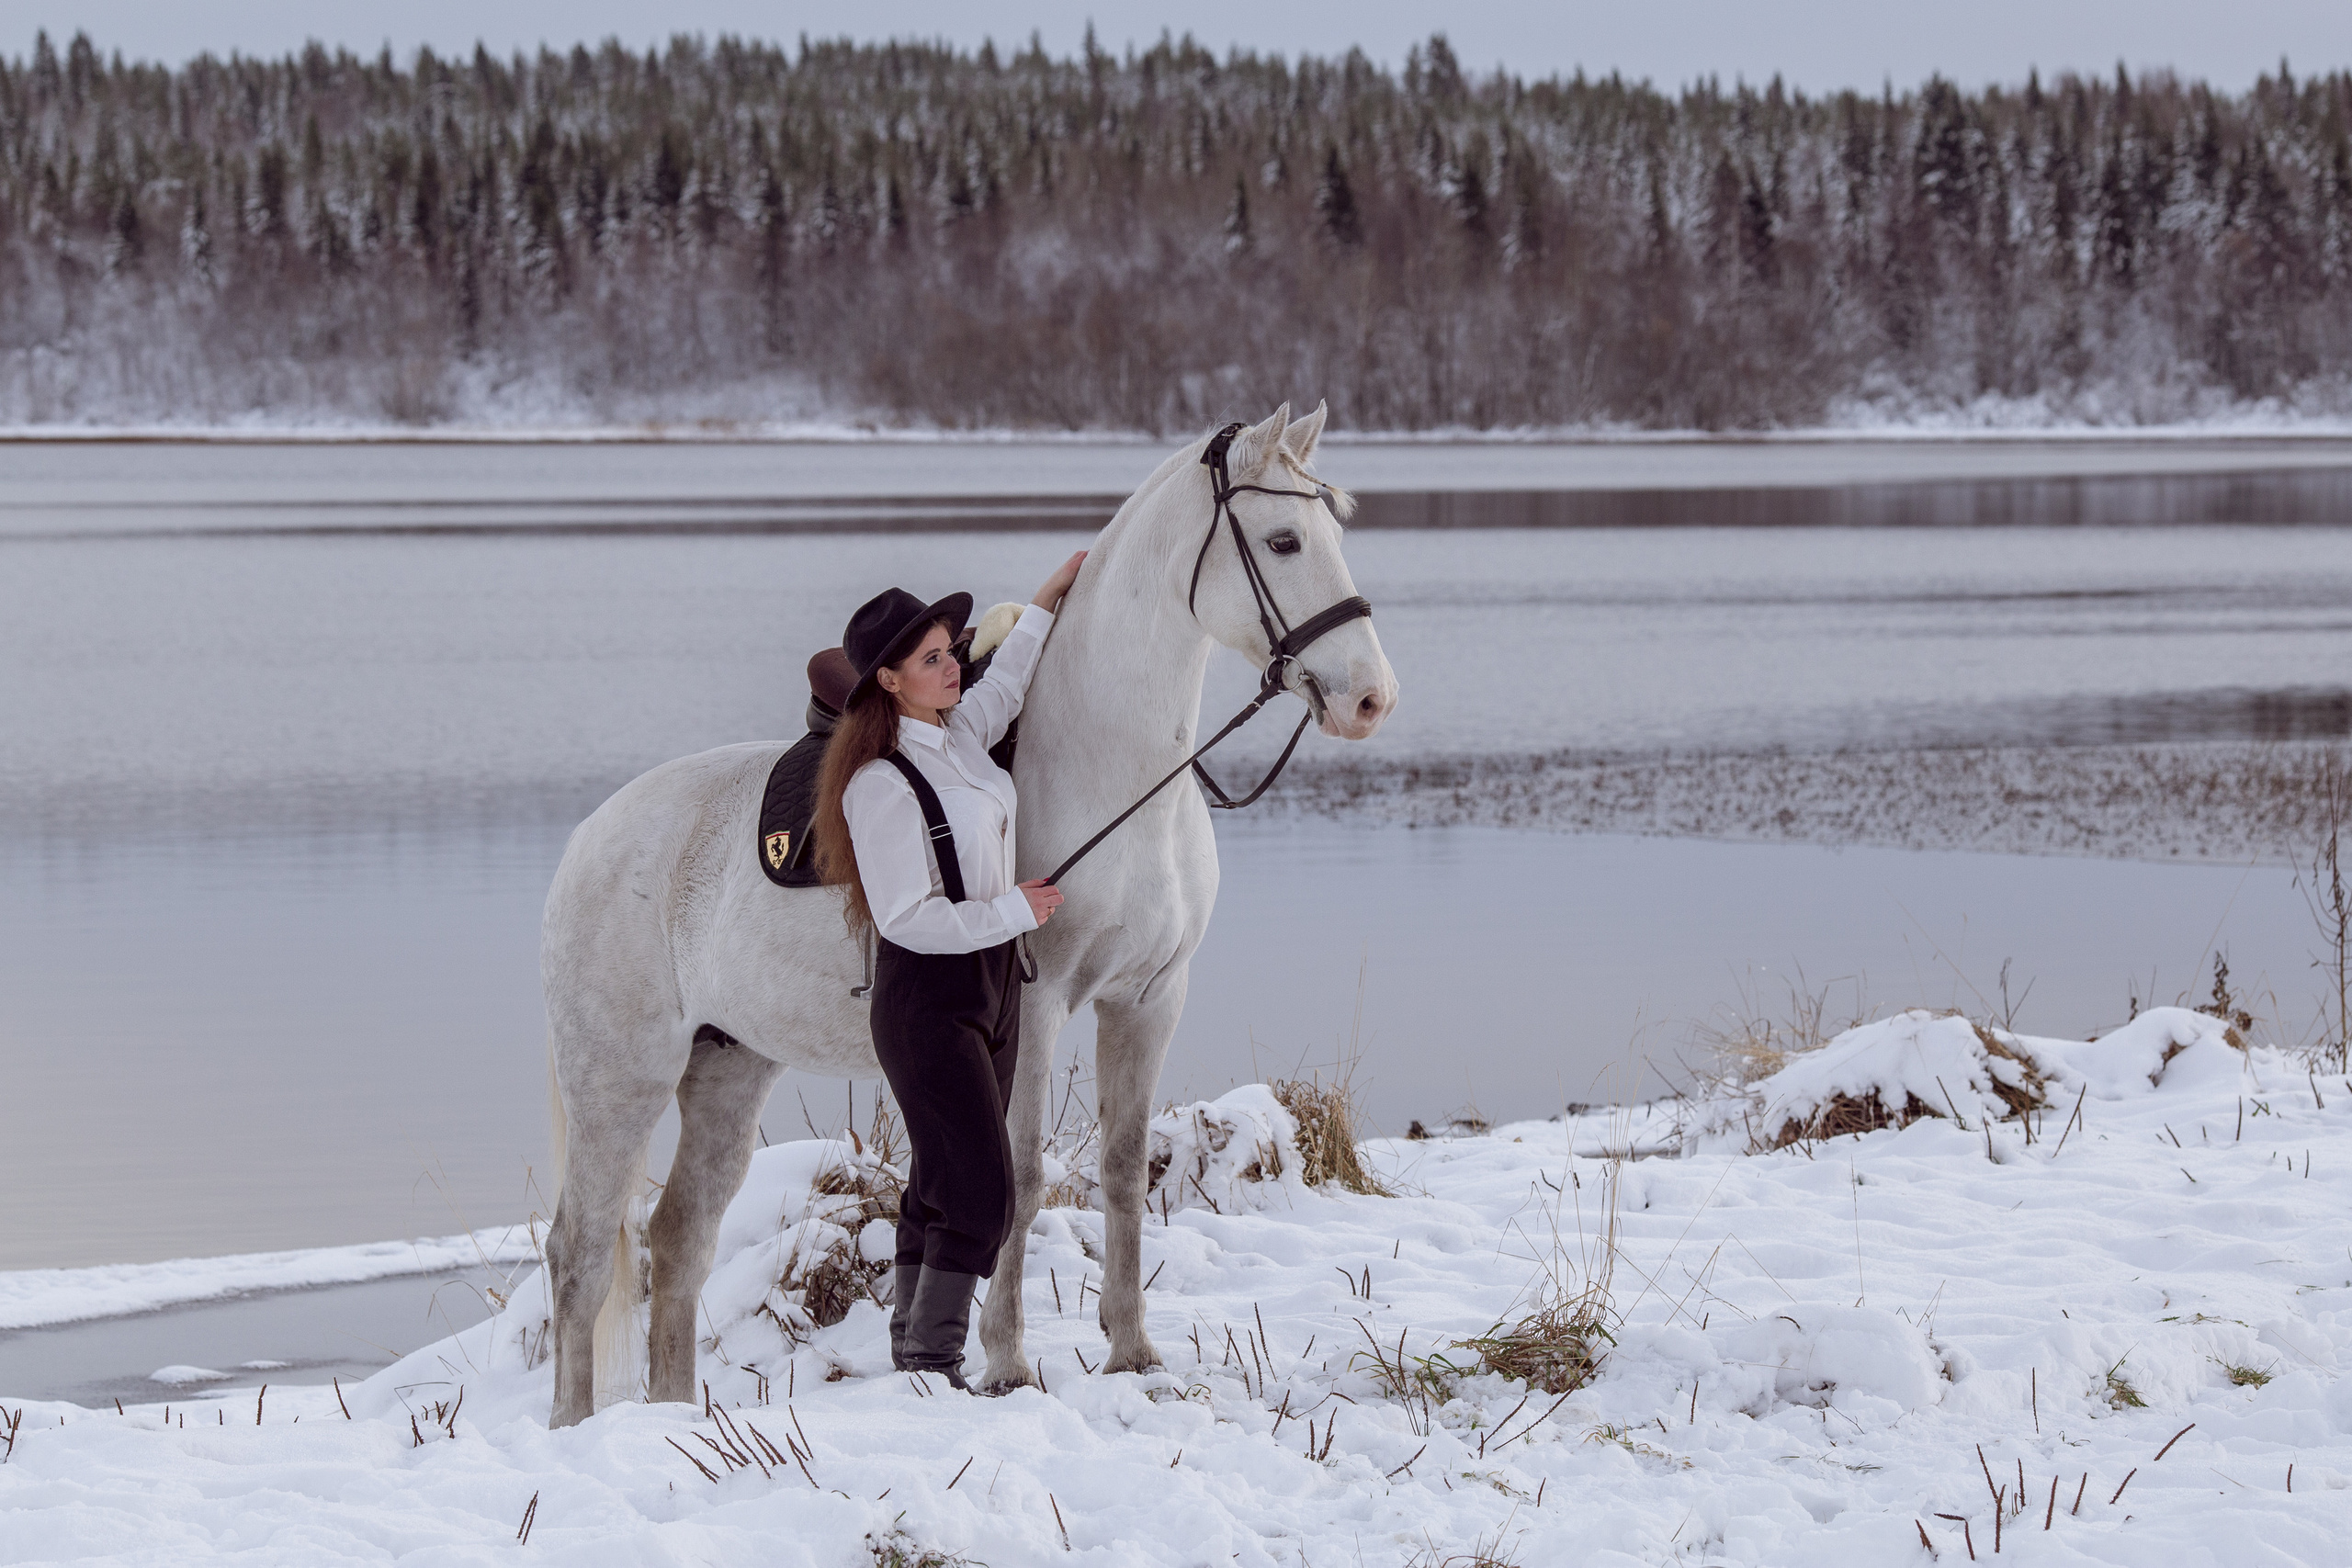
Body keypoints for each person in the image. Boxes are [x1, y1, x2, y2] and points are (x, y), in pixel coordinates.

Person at [811, 550, 1086, 1389]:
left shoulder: (959, 731)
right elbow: (907, 919)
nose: (953, 665)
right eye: (931, 658)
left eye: (950, 649)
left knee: (939, 1176)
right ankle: (934, 1358)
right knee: (983, 1193)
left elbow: (1004, 688)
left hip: (995, 985)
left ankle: (913, 1361)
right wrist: (1017, 909)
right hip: (927, 997)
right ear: (889, 681)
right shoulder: (880, 784)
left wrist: (1043, 601)